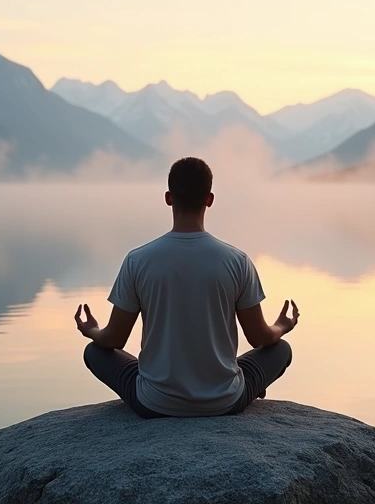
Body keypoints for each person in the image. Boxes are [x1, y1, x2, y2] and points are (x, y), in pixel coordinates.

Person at [73, 156, 299, 418]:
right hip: (225, 403)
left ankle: (161, 385)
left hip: (154, 404)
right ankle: (230, 383)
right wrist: (283, 325)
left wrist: (92, 331)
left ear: (168, 198)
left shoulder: (138, 260)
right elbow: (259, 338)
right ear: (209, 199)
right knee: (281, 349)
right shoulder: (237, 261)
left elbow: (114, 340)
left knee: (94, 352)